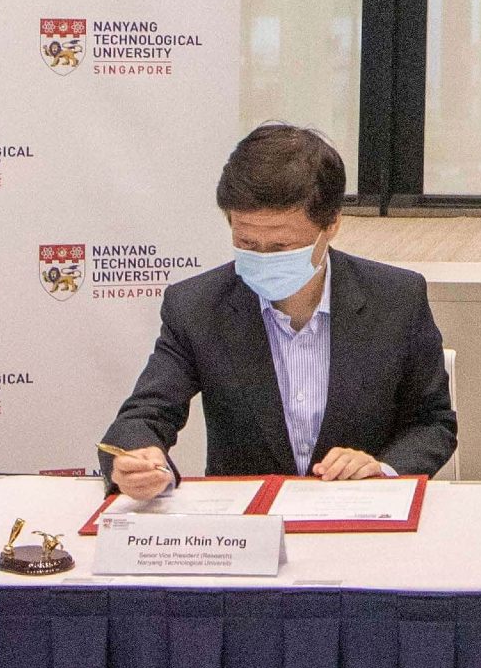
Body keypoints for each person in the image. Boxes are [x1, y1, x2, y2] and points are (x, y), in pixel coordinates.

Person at [104, 123, 457, 498]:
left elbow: (432, 423)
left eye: (280, 246)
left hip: (358, 512)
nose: (262, 257)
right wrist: (136, 458)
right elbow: (145, 414)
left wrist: (382, 470)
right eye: (246, 243)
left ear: (331, 225)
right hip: (245, 520)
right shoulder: (197, 306)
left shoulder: (396, 298)